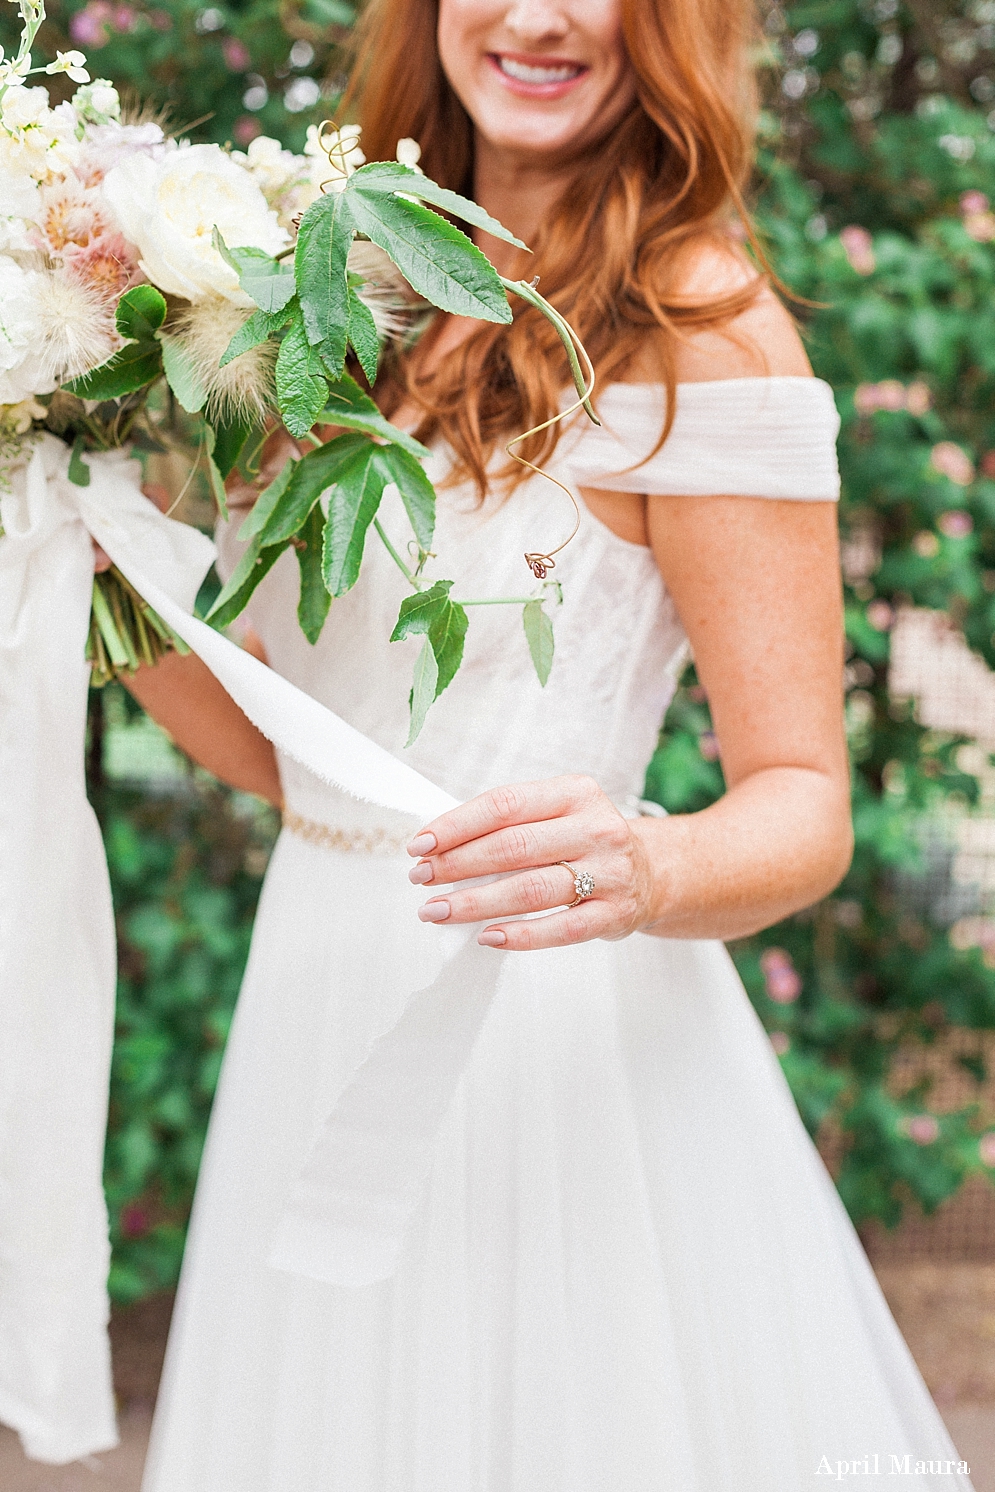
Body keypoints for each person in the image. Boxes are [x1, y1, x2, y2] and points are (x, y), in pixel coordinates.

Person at [122, 0, 972, 1486]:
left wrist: (637, 868)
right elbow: (285, 743)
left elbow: (803, 803)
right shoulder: (331, 293)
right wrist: (80, 536)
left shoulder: (700, 324)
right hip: (317, 987)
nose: (537, 15)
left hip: (553, 1028)